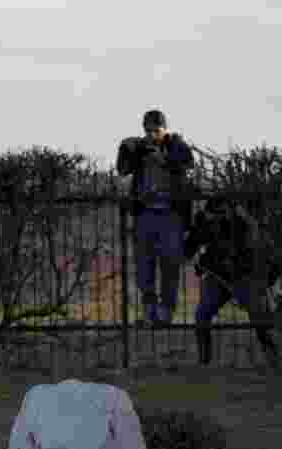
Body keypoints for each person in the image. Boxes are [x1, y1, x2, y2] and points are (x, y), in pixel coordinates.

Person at [117, 109, 195, 326]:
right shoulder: (139, 148)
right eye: (148, 130)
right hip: (145, 215)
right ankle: (150, 313)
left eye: (156, 130)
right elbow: (122, 168)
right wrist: (132, 148)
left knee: (170, 267)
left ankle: (165, 314)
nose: (152, 135)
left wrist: (164, 158)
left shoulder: (176, 144)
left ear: (165, 129)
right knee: (144, 268)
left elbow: (188, 162)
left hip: (171, 216)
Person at [185, 198, 280, 367]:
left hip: (243, 276)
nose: (221, 215)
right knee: (202, 313)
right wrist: (197, 246)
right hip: (218, 276)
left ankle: (271, 354)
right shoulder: (207, 221)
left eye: (224, 211)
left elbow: (257, 252)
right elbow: (189, 248)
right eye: (217, 213)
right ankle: (204, 361)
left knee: (259, 315)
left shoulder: (245, 223)